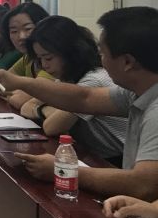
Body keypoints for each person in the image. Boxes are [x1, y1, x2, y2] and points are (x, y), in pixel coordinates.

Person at [0, 6, 158, 201]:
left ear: (128, 62)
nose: (101, 60)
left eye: (103, 53)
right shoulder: (135, 92)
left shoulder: (155, 110)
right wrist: (19, 82)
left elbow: (143, 185)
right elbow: (85, 98)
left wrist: (62, 169)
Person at [16, 15, 126, 165]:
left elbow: (51, 127)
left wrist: (41, 109)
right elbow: (26, 107)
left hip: (118, 163)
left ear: (70, 53)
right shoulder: (67, 78)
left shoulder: (93, 80)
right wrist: (49, 110)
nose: (44, 65)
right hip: (94, 156)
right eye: (39, 59)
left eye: (48, 58)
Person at [0, 1, 50, 105]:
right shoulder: (27, 58)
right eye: (14, 31)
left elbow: (19, 100)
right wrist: (18, 93)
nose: (21, 37)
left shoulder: (50, 59)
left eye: (28, 29)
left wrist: (15, 93)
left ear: (43, 27)